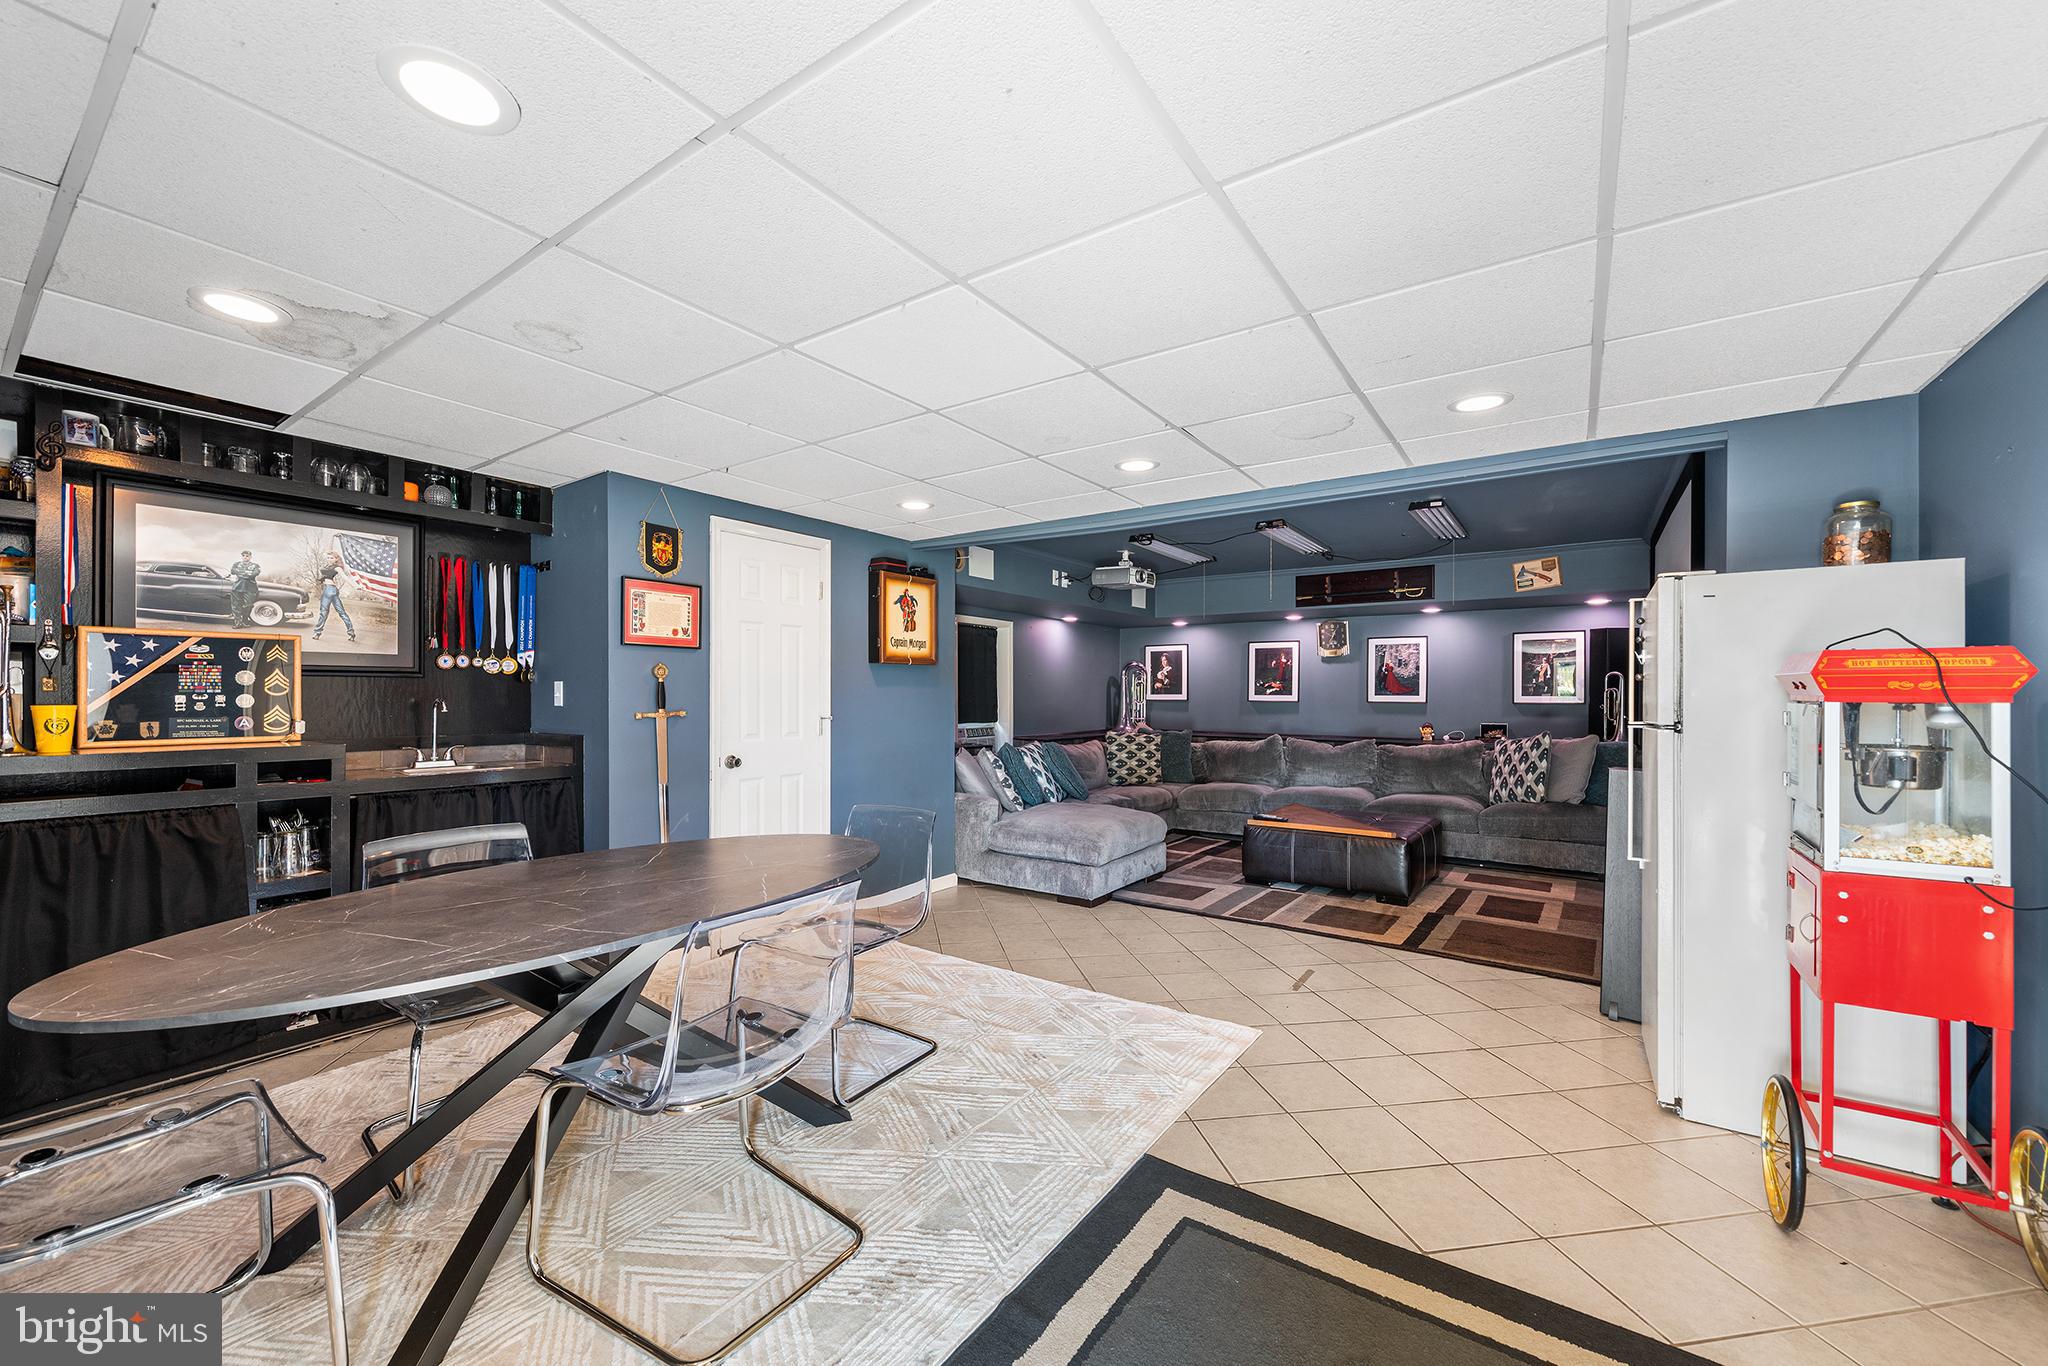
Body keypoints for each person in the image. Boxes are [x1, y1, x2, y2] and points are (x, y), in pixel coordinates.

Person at [312, 550, 356, 642]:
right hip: (330, 589)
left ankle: (317, 633)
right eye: (328, 557)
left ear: (336, 559)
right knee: (341, 612)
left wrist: (355, 586)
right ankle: (351, 633)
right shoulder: (328, 566)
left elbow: (345, 577)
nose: (329, 559)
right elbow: (325, 575)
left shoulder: (337, 568)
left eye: (331, 558)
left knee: (323, 613)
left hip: (329, 589)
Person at [226, 549, 262, 629]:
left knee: (248, 605)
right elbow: (233, 571)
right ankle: (238, 623)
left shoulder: (255, 565)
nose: (245, 557)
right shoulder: (236, 564)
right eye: (243, 556)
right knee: (236, 605)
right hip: (237, 587)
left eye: (247, 556)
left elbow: (254, 574)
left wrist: (241, 573)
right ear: (241, 556)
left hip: (250, 588)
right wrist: (247, 573)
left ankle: (245, 620)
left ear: (250, 557)